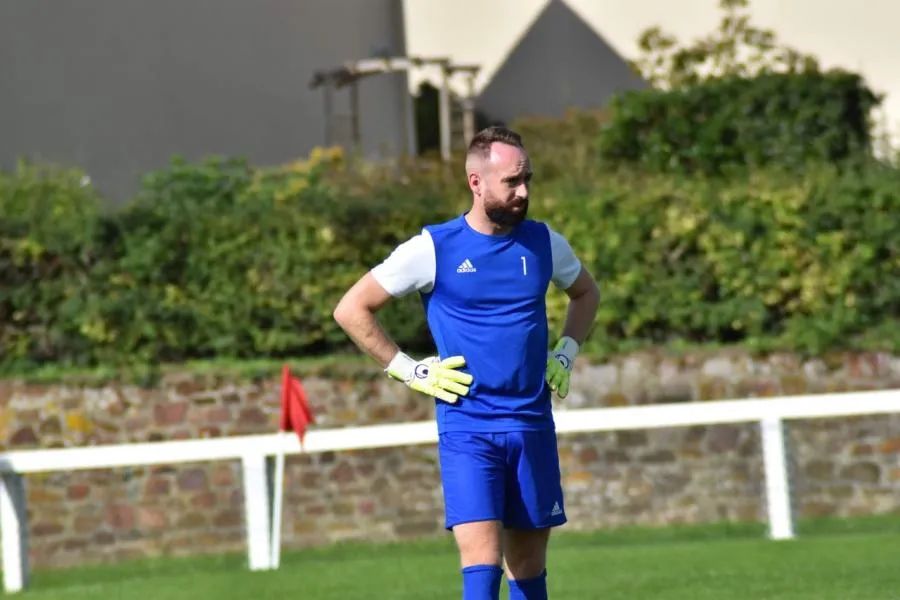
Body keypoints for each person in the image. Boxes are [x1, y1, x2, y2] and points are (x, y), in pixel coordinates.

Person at [332, 125, 600, 600]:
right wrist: (409, 369)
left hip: (532, 423)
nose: (524, 192)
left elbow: (585, 293)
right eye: (512, 182)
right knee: (481, 566)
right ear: (476, 183)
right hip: (468, 427)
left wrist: (567, 350)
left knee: (529, 572)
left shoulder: (543, 243)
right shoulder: (434, 249)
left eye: (527, 180)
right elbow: (351, 309)